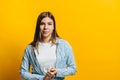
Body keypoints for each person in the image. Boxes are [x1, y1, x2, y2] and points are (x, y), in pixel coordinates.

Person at [20, 11, 76, 80]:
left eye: (49, 24)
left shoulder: (64, 45)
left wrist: (57, 72)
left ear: (53, 27)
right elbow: (23, 72)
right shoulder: (30, 49)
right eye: (42, 24)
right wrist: (43, 78)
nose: (46, 27)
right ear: (38, 27)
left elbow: (73, 69)